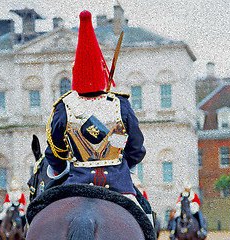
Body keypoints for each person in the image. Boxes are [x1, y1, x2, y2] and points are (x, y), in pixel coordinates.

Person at [44, 10, 153, 223]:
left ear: (76, 76)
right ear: (103, 75)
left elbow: (54, 154)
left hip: (76, 185)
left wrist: (64, 167)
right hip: (120, 185)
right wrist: (120, 164)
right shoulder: (120, 104)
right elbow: (137, 149)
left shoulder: (64, 108)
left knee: (38, 212)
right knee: (147, 218)